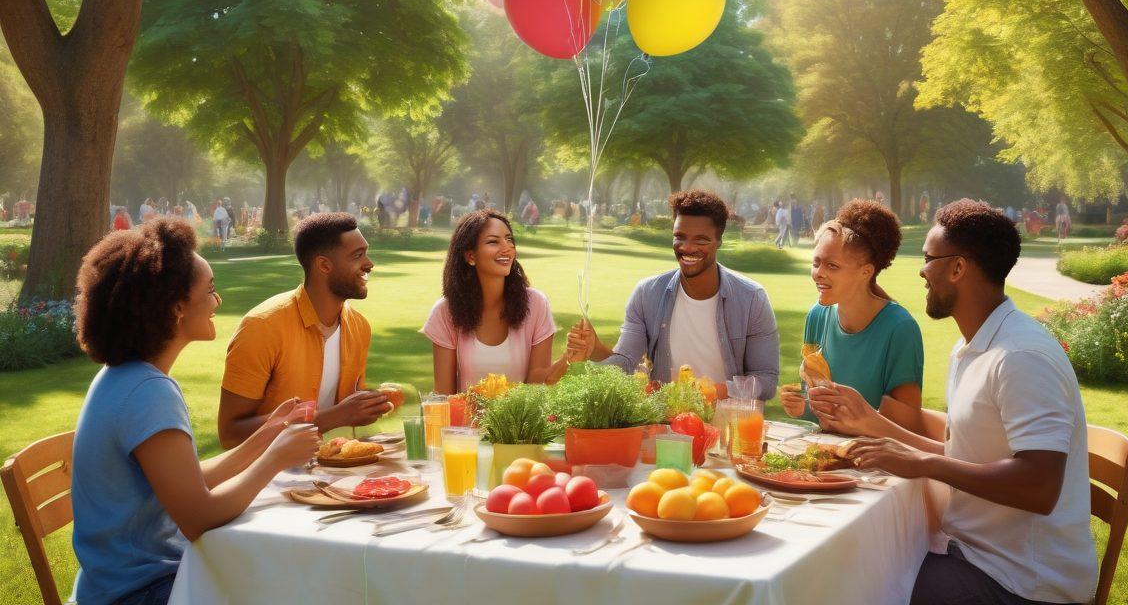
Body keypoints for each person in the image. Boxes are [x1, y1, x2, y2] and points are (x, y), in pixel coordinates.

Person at [808, 200, 1096, 605]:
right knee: (852, 567)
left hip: (1020, 583)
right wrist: (881, 433)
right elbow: (966, 456)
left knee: (857, 583)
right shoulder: (974, 346)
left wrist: (922, 462)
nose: (922, 271)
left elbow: (1039, 486)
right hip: (976, 555)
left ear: (958, 268)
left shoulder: (1020, 357)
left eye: (929, 259)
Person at [71, 219, 319, 605]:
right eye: (211, 291)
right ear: (176, 309)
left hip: (125, 584)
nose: (218, 302)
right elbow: (199, 517)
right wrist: (276, 458)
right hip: (141, 593)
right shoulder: (147, 391)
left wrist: (267, 434)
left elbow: (187, 480)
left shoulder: (124, 377)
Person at [567, 189, 780, 400]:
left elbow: (766, 381)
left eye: (701, 240)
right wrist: (595, 350)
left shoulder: (752, 298)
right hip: (668, 428)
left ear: (719, 241)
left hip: (729, 426)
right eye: (680, 237)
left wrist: (712, 392)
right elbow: (626, 362)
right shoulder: (647, 294)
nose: (687, 248)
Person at [217, 212, 393, 448]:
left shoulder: (359, 327)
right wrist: (332, 417)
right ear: (323, 265)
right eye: (358, 255)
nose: (369, 263)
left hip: (330, 471)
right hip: (268, 478)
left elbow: (347, 408)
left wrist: (371, 404)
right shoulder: (262, 327)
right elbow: (230, 433)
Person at [779, 200, 924, 426]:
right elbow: (816, 407)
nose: (819, 274)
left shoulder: (900, 329)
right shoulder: (817, 316)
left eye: (832, 266)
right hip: (819, 451)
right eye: (816, 263)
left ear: (866, 271)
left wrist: (856, 419)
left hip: (874, 457)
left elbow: (907, 424)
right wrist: (801, 407)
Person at [422, 209, 569, 393]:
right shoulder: (445, 312)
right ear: (471, 256)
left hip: (520, 421)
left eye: (509, 239)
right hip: (465, 422)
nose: (506, 248)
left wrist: (569, 358)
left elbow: (536, 384)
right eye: (493, 241)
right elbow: (444, 395)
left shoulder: (536, 304)